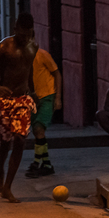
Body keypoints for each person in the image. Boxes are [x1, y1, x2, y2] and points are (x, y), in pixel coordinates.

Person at [0, 12, 38, 203]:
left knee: (21, 139)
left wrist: (33, 91)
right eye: (21, 34)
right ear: (15, 30)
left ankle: (7, 187)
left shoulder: (33, 47)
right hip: (3, 100)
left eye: (28, 34)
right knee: (5, 143)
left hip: (22, 99)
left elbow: (28, 70)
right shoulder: (4, 47)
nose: (25, 38)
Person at [25, 48, 62, 178]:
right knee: (37, 132)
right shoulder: (22, 57)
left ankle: (36, 163)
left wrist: (57, 98)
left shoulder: (42, 55)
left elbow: (57, 74)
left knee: (39, 127)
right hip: (32, 98)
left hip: (47, 95)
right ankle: (46, 164)